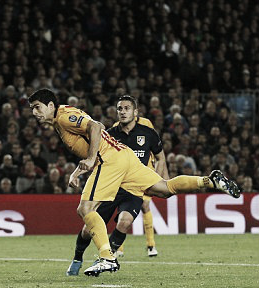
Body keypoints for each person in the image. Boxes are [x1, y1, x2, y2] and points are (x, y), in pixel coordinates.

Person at [28, 89, 240, 277]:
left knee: (85, 208)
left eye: (37, 107)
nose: (35, 112)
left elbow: (95, 126)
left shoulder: (64, 117)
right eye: (32, 109)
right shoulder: (62, 118)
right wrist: (78, 171)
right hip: (124, 156)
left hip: (109, 160)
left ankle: (107, 256)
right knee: (164, 189)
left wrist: (92, 159)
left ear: (50, 105)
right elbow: (93, 138)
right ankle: (209, 180)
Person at [67, 95, 169, 276]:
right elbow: (93, 158)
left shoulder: (148, 133)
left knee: (125, 222)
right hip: (111, 187)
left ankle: (108, 257)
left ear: (135, 112)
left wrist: (162, 181)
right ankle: (77, 258)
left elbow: (160, 157)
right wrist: (76, 173)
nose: (122, 112)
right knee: (87, 230)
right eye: (120, 109)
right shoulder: (110, 134)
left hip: (134, 188)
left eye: (127, 108)